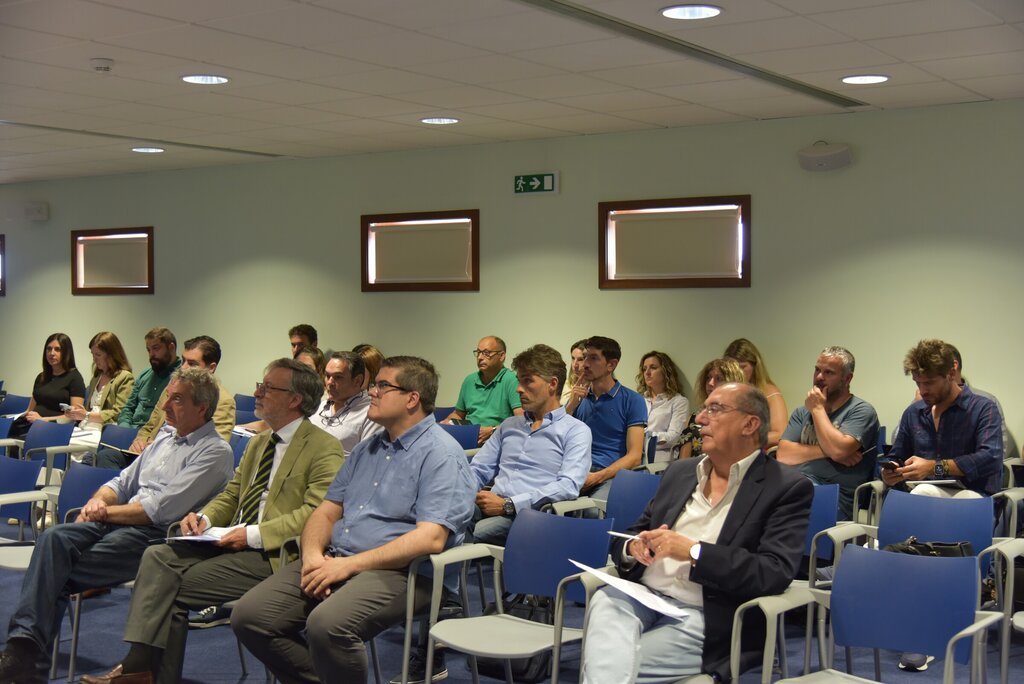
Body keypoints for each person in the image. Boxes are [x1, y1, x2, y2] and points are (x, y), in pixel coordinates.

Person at [82, 359, 344, 684]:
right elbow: (232, 495)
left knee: (166, 590)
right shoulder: (259, 442)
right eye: (260, 386)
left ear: (294, 399)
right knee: (157, 555)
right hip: (231, 541)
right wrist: (204, 517)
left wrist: (250, 535)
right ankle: (141, 669)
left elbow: (315, 514)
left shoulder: (323, 447)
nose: (257, 393)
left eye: (267, 388)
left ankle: (140, 669)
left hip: (275, 553)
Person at [230, 356, 476, 684]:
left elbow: (430, 538)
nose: (372, 392)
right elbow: (326, 511)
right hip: (338, 559)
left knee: (327, 626)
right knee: (250, 616)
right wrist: (313, 556)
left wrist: (347, 566)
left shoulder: (440, 454)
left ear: (412, 399)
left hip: (407, 573)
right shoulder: (366, 449)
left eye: (382, 386)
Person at [0, 368, 234, 684]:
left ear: (202, 408)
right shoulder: (166, 436)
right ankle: (25, 656)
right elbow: (122, 482)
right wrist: (98, 501)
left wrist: (104, 513)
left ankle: (23, 656)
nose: (165, 406)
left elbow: (158, 510)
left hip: (158, 537)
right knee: (52, 539)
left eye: (176, 399)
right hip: (121, 519)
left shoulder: (215, 452)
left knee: (54, 569)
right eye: (167, 397)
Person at [580, 383, 813, 683]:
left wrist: (694, 552)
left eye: (714, 410)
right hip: (644, 594)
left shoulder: (784, 487)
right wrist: (633, 547)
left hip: (708, 613)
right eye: (703, 409)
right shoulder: (681, 472)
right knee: (605, 604)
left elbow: (773, 571)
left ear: (750, 424)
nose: (700, 418)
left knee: (611, 664)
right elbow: (636, 531)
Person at [469, 344, 591, 545]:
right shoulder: (509, 425)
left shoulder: (575, 431)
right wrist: (465, 493)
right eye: (519, 381)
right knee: (438, 521)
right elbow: (479, 468)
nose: (518, 388)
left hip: (530, 515)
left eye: (527, 381)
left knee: (457, 538)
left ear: (552, 384)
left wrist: (509, 504)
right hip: (487, 504)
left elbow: (568, 486)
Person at [882, 339, 1002, 499]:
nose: (922, 391)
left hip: (974, 495)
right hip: (923, 494)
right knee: (920, 493)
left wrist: (934, 468)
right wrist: (890, 471)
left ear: (951, 374)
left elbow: (990, 458)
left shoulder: (983, 408)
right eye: (918, 383)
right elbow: (897, 455)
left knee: (926, 492)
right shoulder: (913, 413)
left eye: (929, 383)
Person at [95, 336, 235, 470]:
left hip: (175, 463)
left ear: (211, 368)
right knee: (104, 456)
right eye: (183, 361)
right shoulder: (173, 388)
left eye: (192, 364)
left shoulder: (223, 402)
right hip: (148, 454)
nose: (184, 368)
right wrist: (140, 441)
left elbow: (211, 450)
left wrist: (161, 448)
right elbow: (150, 425)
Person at [777, 346, 880, 520]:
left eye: (829, 372)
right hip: (796, 485)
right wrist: (831, 451)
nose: (819, 377)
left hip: (835, 498)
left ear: (847, 378)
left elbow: (838, 451)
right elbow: (783, 454)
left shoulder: (861, 411)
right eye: (817, 370)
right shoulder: (802, 412)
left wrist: (818, 409)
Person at [566, 336, 646, 502]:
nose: (585, 364)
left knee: (592, 511)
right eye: (585, 357)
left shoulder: (632, 400)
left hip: (610, 474)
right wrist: (571, 405)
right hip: (576, 470)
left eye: (593, 358)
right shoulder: (578, 397)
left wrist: (597, 477)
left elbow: (635, 457)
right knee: (544, 503)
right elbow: (557, 438)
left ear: (611, 365)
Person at [443, 336, 523, 445]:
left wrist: (493, 430)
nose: (480, 357)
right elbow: (458, 414)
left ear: (501, 356)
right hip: (468, 436)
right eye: (478, 352)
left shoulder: (511, 380)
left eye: (486, 353)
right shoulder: (469, 380)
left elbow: (521, 419)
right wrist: (447, 422)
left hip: (497, 440)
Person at [8, 332, 86, 439]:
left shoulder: (75, 378)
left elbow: (74, 417)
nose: (51, 353)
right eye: (49, 349)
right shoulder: (41, 377)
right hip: (32, 425)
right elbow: (29, 410)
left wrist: (42, 420)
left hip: (53, 428)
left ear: (66, 353)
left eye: (57, 349)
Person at [310, 351, 383, 453]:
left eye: (338, 377)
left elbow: (366, 458)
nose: (329, 382)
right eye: (327, 376)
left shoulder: (371, 414)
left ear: (357, 381)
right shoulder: (319, 407)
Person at [64, 331, 135, 432]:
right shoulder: (96, 378)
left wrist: (87, 415)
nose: (94, 359)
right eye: (92, 354)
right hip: (86, 427)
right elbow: (90, 411)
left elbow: (120, 413)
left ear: (112, 355)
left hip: (107, 430)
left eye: (98, 355)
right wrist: (77, 413)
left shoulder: (125, 378)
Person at [723, 338, 787, 448]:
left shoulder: (769, 392)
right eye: (733, 368)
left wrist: (745, 441)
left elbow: (780, 434)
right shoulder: (723, 393)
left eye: (742, 367)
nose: (738, 372)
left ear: (755, 366)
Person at [679, 358, 745, 460]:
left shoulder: (740, 418)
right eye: (708, 377)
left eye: (718, 378)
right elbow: (683, 461)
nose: (710, 383)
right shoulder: (695, 418)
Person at [116, 328, 180, 429]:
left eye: (156, 348)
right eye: (149, 350)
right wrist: (124, 428)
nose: (151, 354)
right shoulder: (145, 374)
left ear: (171, 348)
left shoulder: (183, 377)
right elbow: (128, 408)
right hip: (131, 429)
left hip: (156, 433)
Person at [636, 351, 690, 463]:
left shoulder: (678, 402)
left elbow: (674, 437)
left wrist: (643, 436)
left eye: (653, 368)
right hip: (634, 457)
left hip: (660, 462)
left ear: (666, 371)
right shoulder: (638, 400)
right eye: (644, 369)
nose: (647, 373)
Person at [560, 339, 587, 406]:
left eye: (580, 359)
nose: (575, 365)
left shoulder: (596, 389)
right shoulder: (565, 384)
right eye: (573, 358)